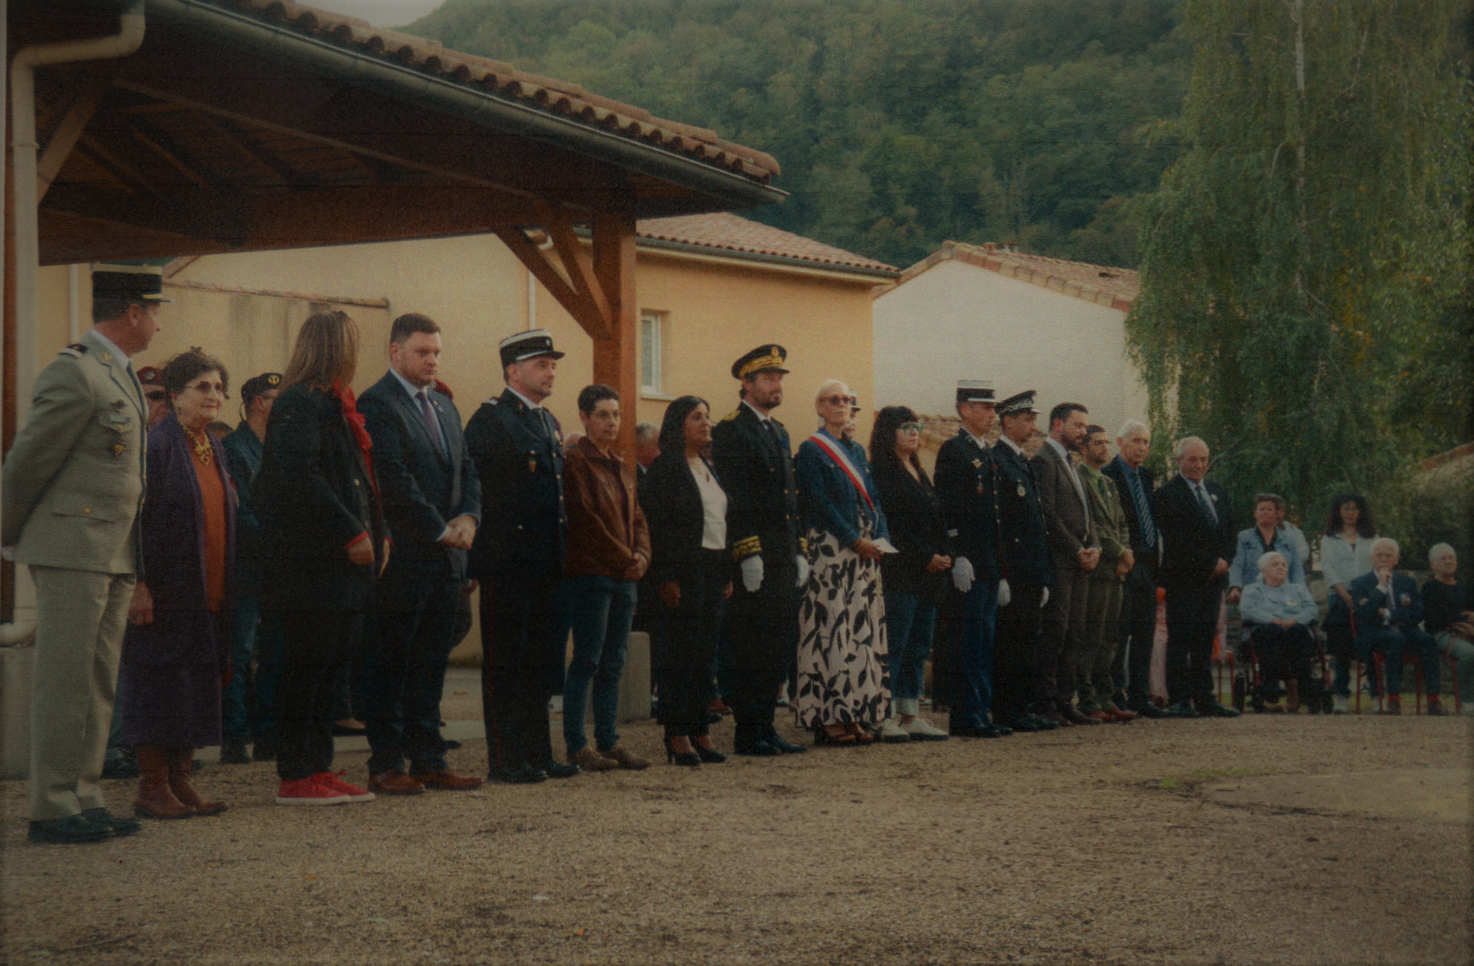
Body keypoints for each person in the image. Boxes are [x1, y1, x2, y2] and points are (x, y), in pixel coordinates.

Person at [2, 264, 163, 843]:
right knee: (65, 680)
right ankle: (51, 806)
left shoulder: (113, 372)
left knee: (96, 681)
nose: (159, 326)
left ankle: (82, 796)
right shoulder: (76, 373)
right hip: (73, 547)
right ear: (133, 313)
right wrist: (7, 532)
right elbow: (29, 460)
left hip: (112, 550)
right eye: (155, 312)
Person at [255, 309, 388, 805]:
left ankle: (319, 766)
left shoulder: (334, 405)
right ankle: (296, 774)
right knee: (305, 669)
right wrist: (352, 532)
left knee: (331, 669)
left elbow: (359, 480)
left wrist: (381, 532)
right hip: (310, 569)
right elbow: (300, 478)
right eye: (353, 342)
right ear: (335, 346)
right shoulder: (300, 403)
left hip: (340, 572)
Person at [356, 313, 483, 795]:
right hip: (405, 557)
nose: (432, 360)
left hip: (449, 558)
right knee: (392, 660)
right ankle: (386, 762)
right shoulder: (377, 403)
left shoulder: (445, 407)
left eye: (436, 352)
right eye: (422, 352)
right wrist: (437, 529)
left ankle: (429, 757)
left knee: (432, 661)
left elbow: (467, 468)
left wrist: (469, 518)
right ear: (395, 352)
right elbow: (391, 479)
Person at [117, 349, 234, 819]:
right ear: (176, 395)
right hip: (164, 593)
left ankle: (182, 783)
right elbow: (132, 520)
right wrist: (138, 583)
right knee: (161, 684)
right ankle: (152, 786)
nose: (214, 395)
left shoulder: (212, 445)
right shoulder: (157, 444)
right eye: (202, 387)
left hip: (208, 590)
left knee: (194, 686)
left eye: (219, 387)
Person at [466, 329, 576, 783]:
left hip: (547, 563)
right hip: (507, 564)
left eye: (552, 365)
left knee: (540, 662)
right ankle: (506, 757)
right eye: (541, 365)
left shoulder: (547, 421)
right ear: (513, 371)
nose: (551, 372)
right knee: (505, 664)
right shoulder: (490, 420)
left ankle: (537, 750)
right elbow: (479, 493)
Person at [710, 344, 809, 758]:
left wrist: (799, 548)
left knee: (778, 646)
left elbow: (790, 498)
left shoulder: (779, 430)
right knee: (752, 646)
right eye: (768, 378)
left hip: (783, 554)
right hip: (756, 556)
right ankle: (749, 732)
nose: (777, 384)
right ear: (746, 384)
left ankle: (767, 726)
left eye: (780, 378)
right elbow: (736, 496)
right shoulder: (732, 430)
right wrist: (748, 552)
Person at [558, 384, 652, 772]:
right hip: (592, 575)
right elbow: (583, 519)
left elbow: (638, 519)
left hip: (625, 577)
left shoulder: (621, 465)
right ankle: (577, 744)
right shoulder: (575, 462)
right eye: (602, 414)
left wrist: (643, 556)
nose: (611, 422)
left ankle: (609, 740)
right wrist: (624, 557)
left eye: (615, 414)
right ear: (584, 417)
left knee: (614, 661)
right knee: (587, 660)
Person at [794, 379, 891, 746]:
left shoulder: (858, 453)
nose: (842, 406)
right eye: (834, 400)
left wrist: (879, 535)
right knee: (831, 629)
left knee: (861, 633)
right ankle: (829, 717)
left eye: (848, 401)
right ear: (819, 407)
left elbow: (874, 498)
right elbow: (818, 502)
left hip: (865, 554)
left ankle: (857, 712)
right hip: (832, 552)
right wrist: (853, 539)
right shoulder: (811, 450)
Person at [640, 396, 731, 766]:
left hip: (712, 569)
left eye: (708, 416)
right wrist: (664, 576)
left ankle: (700, 728)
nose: (706, 423)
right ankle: (676, 733)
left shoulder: (708, 467)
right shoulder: (667, 469)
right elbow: (655, 526)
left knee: (705, 654)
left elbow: (720, 522)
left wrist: (727, 573)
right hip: (682, 571)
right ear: (678, 425)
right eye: (697, 417)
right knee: (680, 655)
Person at [932, 381, 1009, 738]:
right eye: (985, 407)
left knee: (986, 640)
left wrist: (1001, 571)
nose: (992, 414)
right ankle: (965, 715)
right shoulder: (954, 450)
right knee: (968, 639)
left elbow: (995, 517)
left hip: (989, 564)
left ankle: (981, 711)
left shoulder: (987, 452)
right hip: (968, 562)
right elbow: (947, 507)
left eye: (993, 408)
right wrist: (957, 553)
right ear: (965, 409)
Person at [870, 405, 952, 742]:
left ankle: (910, 712)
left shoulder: (918, 469)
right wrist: (924, 556)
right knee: (896, 644)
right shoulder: (883, 474)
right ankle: (884, 713)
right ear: (889, 433)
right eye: (905, 427)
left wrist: (945, 554)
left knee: (919, 645)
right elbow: (893, 526)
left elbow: (935, 516)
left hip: (930, 574)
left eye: (916, 425)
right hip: (902, 571)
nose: (914, 431)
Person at [220, 372, 283, 765]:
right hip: (247, 567)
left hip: (278, 568)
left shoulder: (280, 447)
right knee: (239, 653)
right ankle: (234, 736)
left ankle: (268, 733)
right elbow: (239, 510)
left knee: (274, 652)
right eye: (279, 399)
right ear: (259, 402)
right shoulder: (233, 448)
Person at [1154, 436, 1239, 718]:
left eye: (1203, 459)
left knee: (1205, 640)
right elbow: (1177, 539)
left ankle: (1205, 697)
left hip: (1214, 581)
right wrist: (1208, 562)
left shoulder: (1218, 491)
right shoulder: (1168, 494)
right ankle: (1179, 698)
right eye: (1192, 459)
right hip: (1184, 579)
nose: (1199, 465)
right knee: (1181, 639)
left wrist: (1225, 560)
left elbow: (1230, 530)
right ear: (1179, 461)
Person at [990, 391, 1056, 733]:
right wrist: (1002, 573)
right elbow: (1001, 525)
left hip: (1031, 571)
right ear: (1008, 421)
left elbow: (1036, 525)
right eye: (1027, 419)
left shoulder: (1022, 462)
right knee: (1010, 643)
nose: (1033, 426)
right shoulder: (997, 460)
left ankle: (1022, 707)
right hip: (1013, 570)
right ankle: (1006, 710)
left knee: (1028, 641)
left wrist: (1043, 575)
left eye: (1033, 419)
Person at [1031, 402, 1101, 726]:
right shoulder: (1044, 461)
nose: (1084, 432)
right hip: (1059, 561)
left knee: (1075, 633)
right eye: (1078, 425)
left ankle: (1065, 701)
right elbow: (1048, 514)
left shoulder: (1074, 464)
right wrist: (1076, 549)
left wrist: (1096, 546)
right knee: (1055, 632)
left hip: (1081, 564)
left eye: (1086, 426)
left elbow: (1089, 515)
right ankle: (1045, 703)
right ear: (1057, 425)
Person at [1102, 419, 1165, 718]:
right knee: (1120, 631)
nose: (1141, 447)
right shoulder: (1108, 475)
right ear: (1120, 441)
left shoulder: (1147, 477)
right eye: (1135, 441)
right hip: (1124, 563)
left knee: (1144, 633)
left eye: (1145, 442)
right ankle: (1116, 694)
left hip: (1148, 565)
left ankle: (1141, 696)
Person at [1076, 425, 1137, 722]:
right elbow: (1091, 525)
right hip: (1098, 568)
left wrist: (1127, 552)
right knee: (1093, 635)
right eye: (1097, 443)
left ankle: (1106, 696)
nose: (1104, 447)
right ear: (1084, 447)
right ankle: (1087, 700)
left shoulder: (1109, 483)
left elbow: (1122, 523)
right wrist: (1118, 551)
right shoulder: (1079, 479)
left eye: (1105, 442)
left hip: (1117, 570)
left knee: (1111, 637)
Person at [1348, 538, 1446, 715]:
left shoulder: (1407, 582)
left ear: (1397, 559)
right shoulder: (1359, 583)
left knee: (1428, 640)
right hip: (1374, 634)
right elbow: (1366, 614)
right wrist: (1382, 586)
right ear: (1371, 558)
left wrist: (1385, 613)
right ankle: (1394, 698)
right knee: (1395, 640)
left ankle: (1433, 699)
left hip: (1406, 629)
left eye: (1388, 555)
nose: (1384, 559)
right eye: (1379, 555)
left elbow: (1417, 614)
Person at [1319, 493, 1378, 713]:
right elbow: (1328, 569)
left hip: (1367, 596)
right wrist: (1345, 596)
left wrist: (1365, 597)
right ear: (1338, 512)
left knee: (1371, 645)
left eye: (1354, 509)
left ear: (1361, 511)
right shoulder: (1329, 538)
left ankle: (1376, 696)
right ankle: (1341, 697)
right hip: (1340, 597)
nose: (1350, 513)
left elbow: (1377, 565)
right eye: (1345, 509)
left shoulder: (1372, 537)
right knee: (1342, 647)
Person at [1239, 552, 1319, 712]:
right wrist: (1273, 620)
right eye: (1274, 564)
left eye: (1283, 564)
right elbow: (1248, 610)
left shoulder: (1298, 589)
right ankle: (1271, 687)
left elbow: (1312, 610)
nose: (1281, 568)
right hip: (1265, 634)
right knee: (1271, 631)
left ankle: (1303, 684)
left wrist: (1292, 621)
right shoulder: (1252, 589)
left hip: (1294, 633)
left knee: (1298, 631)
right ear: (1263, 570)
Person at [1422, 544, 1474, 715]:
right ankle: (1467, 702)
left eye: (1451, 557)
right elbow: (1435, 618)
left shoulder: (1465, 587)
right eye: (1443, 559)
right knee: (1468, 653)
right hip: (1441, 634)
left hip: (1467, 632)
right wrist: (1463, 617)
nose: (1448, 561)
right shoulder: (1429, 588)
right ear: (1433, 564)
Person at [1228, 494, 1306, 601]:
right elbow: (1237, 565)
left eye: (1269, 510)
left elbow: (1296, 569)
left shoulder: (1288, 539)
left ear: (1276, 514)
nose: (1265, 512)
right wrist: (1235, 588)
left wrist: (1300, 591)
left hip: (1283, 595)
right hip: (1253, 594)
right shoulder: (1243, 537)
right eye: (1261, 509)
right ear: (1255, 513)